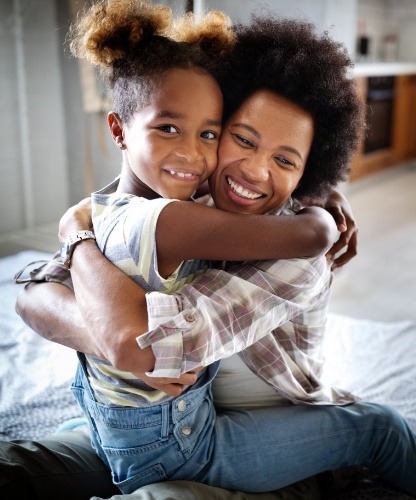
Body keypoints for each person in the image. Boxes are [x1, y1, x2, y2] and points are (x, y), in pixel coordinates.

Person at [8, 6, 416, 500]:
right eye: (241, 139)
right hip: (174, 420)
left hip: (263, 442)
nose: (254, 172)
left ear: (308, 172)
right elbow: (33, 295)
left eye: (285, 161)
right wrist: (85, 270)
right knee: (28, 463)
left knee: (164, 495)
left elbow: (153, 345)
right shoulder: (185, 199)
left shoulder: (295, 255)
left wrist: (82, 245)